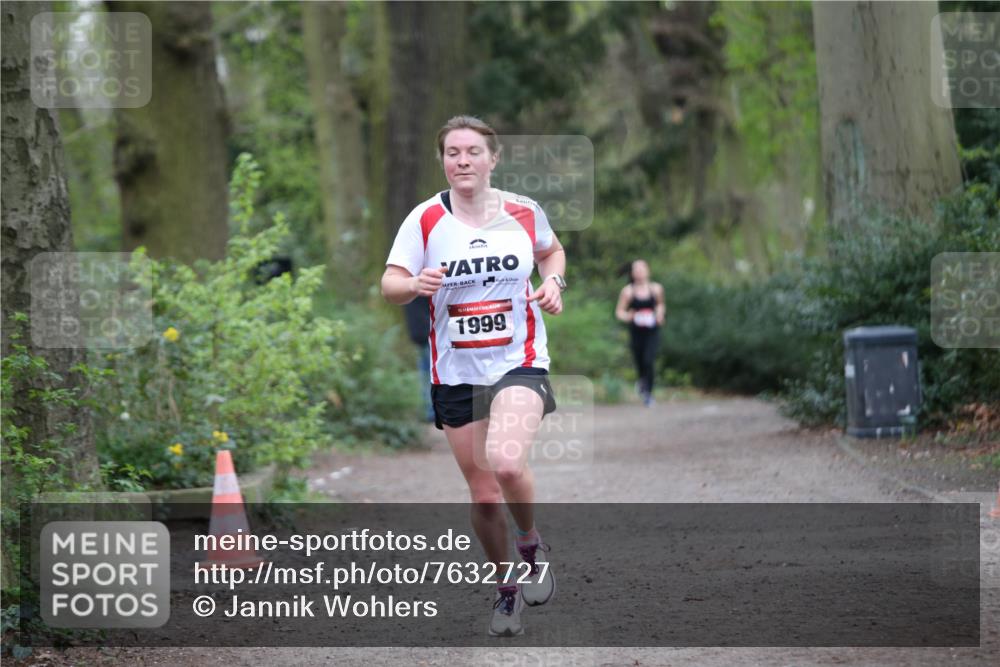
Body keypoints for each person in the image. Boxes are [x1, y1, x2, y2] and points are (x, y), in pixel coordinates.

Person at [381, 115, 565, 637]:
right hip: (455, 371)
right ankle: (506, 590)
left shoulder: (523, 211)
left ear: (493, 158)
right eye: (453, 153)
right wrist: (413, 284)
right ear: (443, 160)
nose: (462, 160)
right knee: (483, 494)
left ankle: (530, 543)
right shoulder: (424, 220)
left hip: (519, 360)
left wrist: (555, 282)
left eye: (473, 152)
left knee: (506, 463)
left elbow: (551, 251)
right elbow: (389, 283)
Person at [615, 259, 665, 406]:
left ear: (648, 270)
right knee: (640, 361)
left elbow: (661, 305)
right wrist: (628, 316)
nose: (639, 272)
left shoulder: (656, 289)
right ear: (632, 273)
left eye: (641, 269)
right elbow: (619, 312)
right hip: (636, 333)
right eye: (636, 270)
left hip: (652, 332)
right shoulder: (628, 291)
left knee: (649, 360)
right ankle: (642, 381)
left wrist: (660, 315)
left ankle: (648, 393)